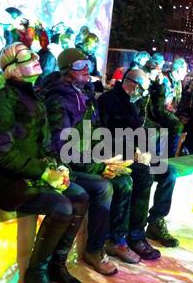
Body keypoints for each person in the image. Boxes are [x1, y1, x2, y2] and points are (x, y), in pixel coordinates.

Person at [0, 42, 90, 283]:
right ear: (13, 69)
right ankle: (36, 272)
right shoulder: (0, 99)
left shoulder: (35, 96)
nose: (36, 57)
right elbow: (2, 152)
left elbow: (47, 143)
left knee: (80, 196)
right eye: (26, 55)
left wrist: (55, 166)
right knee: (61, 206)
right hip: (2, 181)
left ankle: (56, 265)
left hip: (31, 173)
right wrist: (43, 172)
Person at [42, 48, 133, 267]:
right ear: (66, 71)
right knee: (103, 187)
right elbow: (62, 148)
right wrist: (96, 167)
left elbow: (90, 136)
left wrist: (105, 157)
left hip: (83, 159)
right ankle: (94, 250)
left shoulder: (84, 95)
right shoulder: (58, 100)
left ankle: (116, 239)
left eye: (87, 65)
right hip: (64, 166)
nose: (86, 69)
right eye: (79, 65)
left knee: (125, 181)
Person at [98, 68, 179, 248]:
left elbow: (143, 126)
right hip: (116, 155)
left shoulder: (136, 102)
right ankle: (135, 233)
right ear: (133, 85)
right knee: (144, 174)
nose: (143, 94)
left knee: (170, 173)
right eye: (142, 90)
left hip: (135, 153)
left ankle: (156, 220)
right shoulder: (108, 101)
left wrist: (143, 151)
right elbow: (107, 135)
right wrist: (133, 152)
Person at [146, 57, 188, 158]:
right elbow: (158, 107)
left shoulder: (177, 82)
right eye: (185, 70)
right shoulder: (164, 80)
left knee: (179, 124)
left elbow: (175, 103)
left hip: (167, 114)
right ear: (179, 70)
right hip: (157, 116)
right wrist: (174, 118)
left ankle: (168, 156)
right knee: (177, 125)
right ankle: (168, 157)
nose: (186, 73)